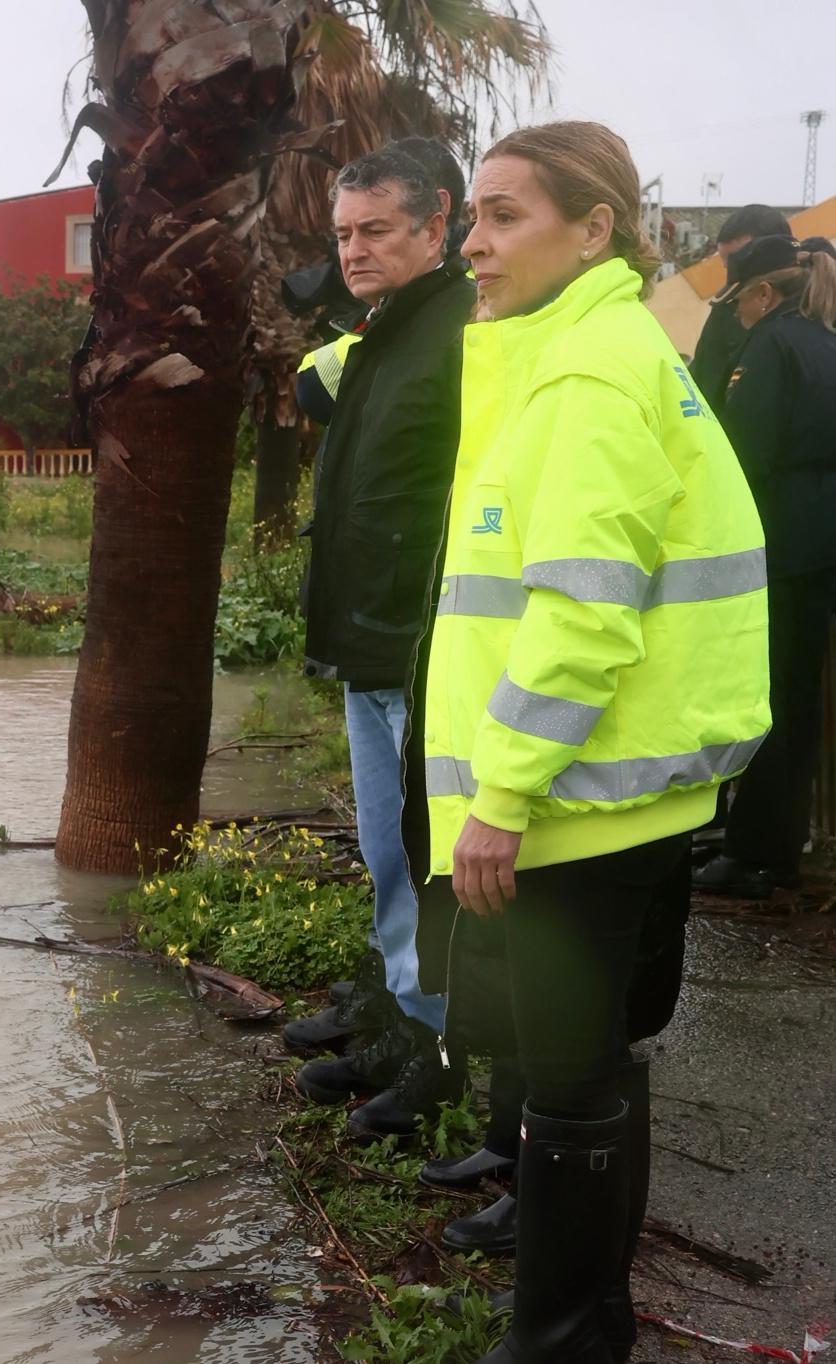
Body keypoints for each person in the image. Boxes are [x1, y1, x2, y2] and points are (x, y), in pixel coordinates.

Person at [431, 121, 768, 1361]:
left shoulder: (586, 370)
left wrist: (502, 793)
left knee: (571, 1084)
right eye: (474, 215)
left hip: (577, 795)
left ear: (597, 230)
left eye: (504, 215)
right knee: (592, 1071)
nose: (474, 242)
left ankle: (565, 1340)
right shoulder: (598, 346)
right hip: (624, 786)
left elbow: (580, 610)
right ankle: (584, 1325)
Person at [288, 142, 475, 1139]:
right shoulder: (385, 328)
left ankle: (433, 1057)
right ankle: (391, 1013)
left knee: (420, 857)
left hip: (421, 646)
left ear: (436, 223)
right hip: (367, 642)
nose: (353, 250)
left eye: (375, 231)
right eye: (344, 233)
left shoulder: (463, 329)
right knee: (383, 854)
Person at [694, 235, 836, 898]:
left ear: (761, 293)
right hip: (818, 539)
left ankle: (755, 855)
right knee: (799, 700)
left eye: (735, 302)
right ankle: (778, 843)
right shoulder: (821, 338)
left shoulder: (771, 347)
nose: (734, 315)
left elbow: (740, 454)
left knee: (767, 700)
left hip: (777, 540)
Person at [689, 204, 794, 409]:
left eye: (743, 262)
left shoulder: (814, 320)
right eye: (729, 265)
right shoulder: (724, 309)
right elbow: (701, 377)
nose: (734, 274)